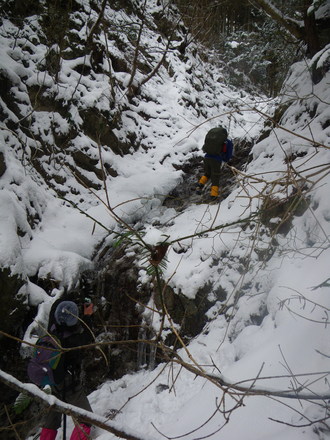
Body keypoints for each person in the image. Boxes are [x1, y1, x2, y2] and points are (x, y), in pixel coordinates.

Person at [40, 298, 94, 440]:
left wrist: (67, 300)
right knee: (86, 418)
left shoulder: (52, 329)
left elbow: (55, 308)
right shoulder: (71, 342)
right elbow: (88, 336)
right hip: (69, 384)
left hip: (53, 379)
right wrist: (88, 316)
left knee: (55, 410)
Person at [197, 126, 233, 200]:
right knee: (215, 177)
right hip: (216, 160)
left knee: (207, 173)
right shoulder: (228, 142)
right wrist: (226, 159)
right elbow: (228, 154)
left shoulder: (213, 141)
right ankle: (214, 195)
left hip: (206, 157)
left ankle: (199, 186)